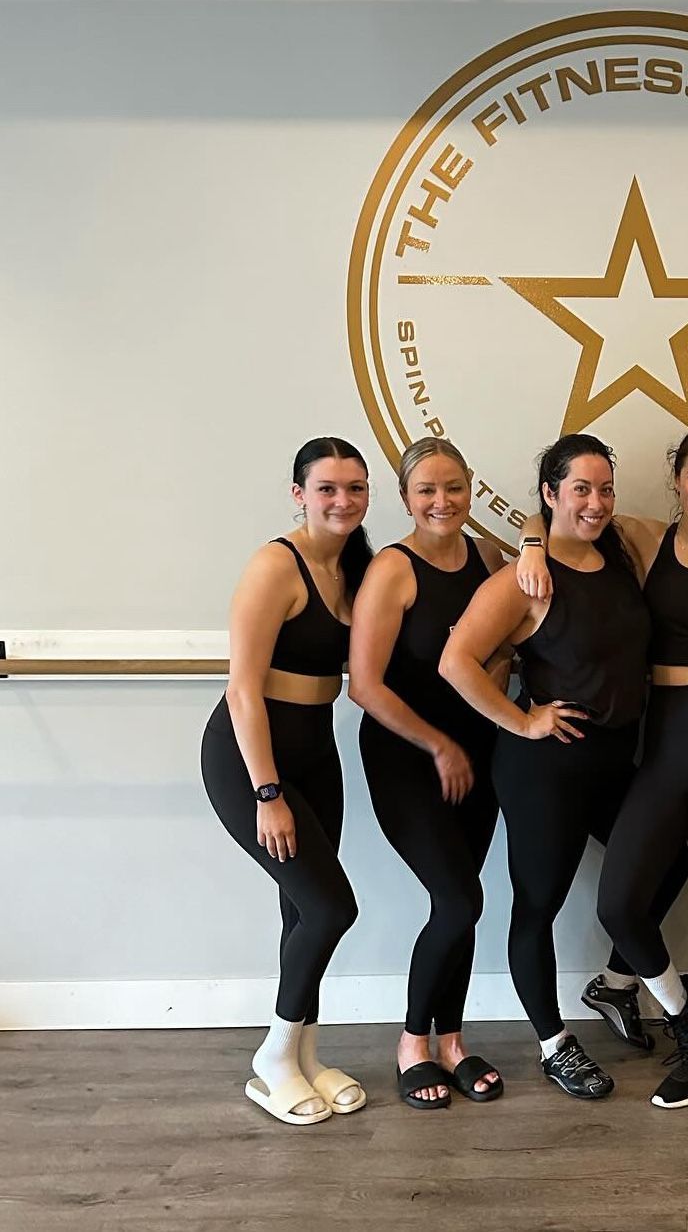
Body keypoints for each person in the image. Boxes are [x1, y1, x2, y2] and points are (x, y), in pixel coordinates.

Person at [521, 413, 688, 1108]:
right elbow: (557, 503)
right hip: (663, 743)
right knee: (620, 902)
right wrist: (525, 542)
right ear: (675, 479)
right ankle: (676, 1002)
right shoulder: (641, 536)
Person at [439, 434, 688, 1100]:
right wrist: (521, 720)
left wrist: (529, 532)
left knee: (670, 864)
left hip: (615, 759)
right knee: (538, 906)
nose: (597, 502)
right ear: (551, 493)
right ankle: (553, 1044)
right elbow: (455, 661)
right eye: (580, 489)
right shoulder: (524, 580)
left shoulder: (621, 552)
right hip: (543, 770)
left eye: (605, 488)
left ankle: (613, 983)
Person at [200, 437, 372, 1125]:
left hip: (314, 751)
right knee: (333, 908)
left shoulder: (353, 566)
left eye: (355, 488)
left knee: (302, 911)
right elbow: (242, 690)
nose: (342, 501)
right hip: (249, 758)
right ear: (298, 493)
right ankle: (272, 1058)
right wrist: (267, 793)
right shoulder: (278, 565)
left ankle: (304, 1057)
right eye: (327, 488)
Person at [348, 437, 507, 1110]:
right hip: (407, 757)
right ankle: (412, 1042)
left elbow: (504, 649)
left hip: (478, 755)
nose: (442, 502)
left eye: (453, 488)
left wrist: (489, 704)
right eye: (426, 491)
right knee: (457, 900)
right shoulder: (393, 569)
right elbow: (365, 686)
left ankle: (453, 1042)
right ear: (406, 497)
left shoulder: (489, 558)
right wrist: (438, 744)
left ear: (471, 487)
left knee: (463, 897)